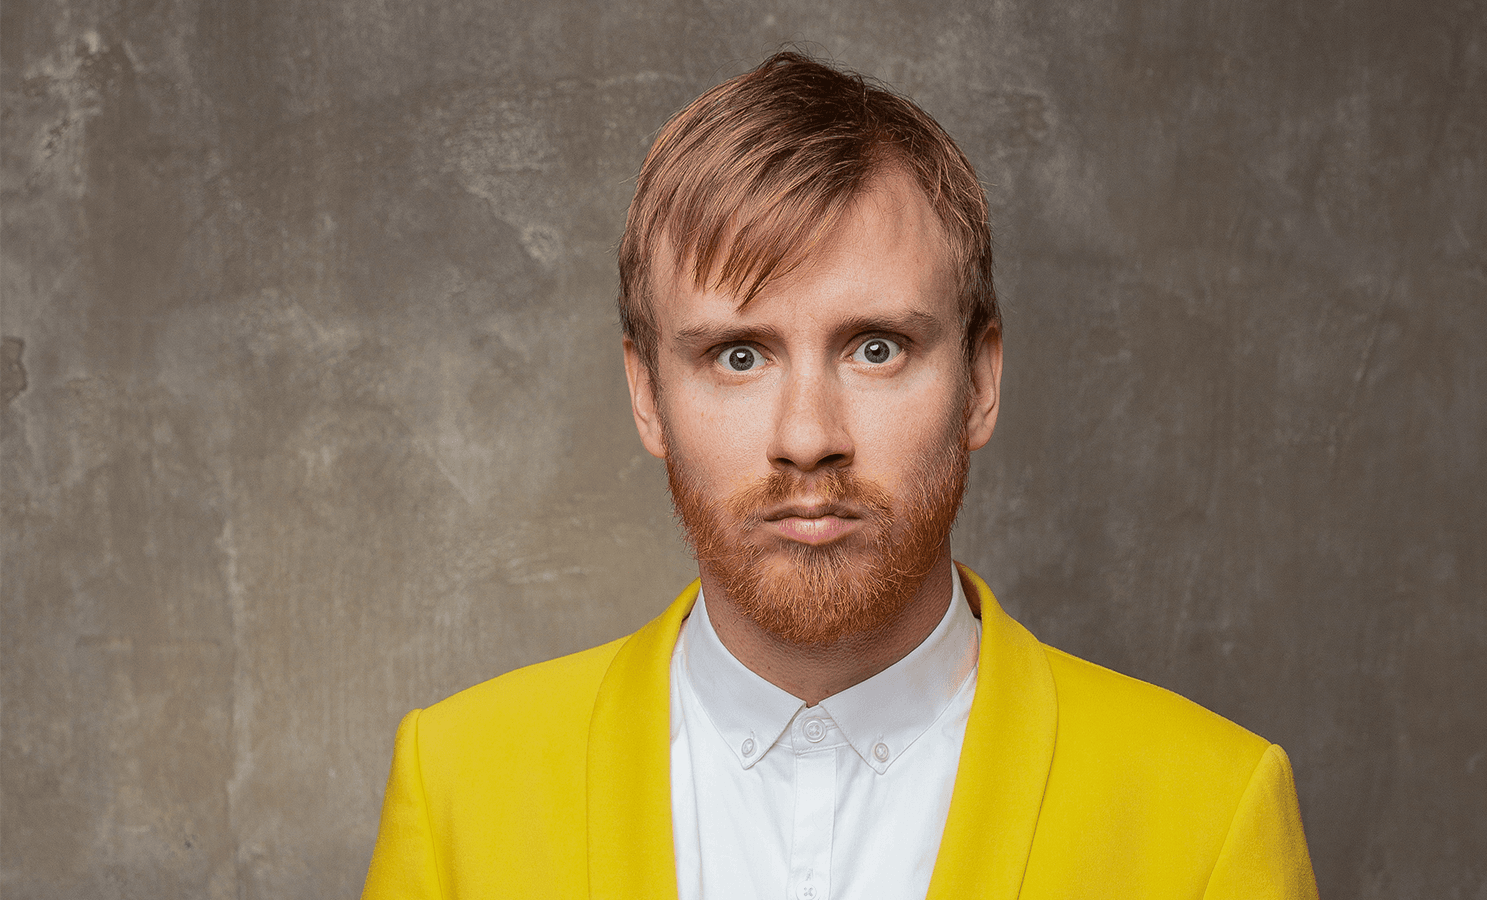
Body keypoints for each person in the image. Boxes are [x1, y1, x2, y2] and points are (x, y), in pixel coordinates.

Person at [361, 51, 1319, 900]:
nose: (808, 437)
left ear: (981, 382)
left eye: (876, 348)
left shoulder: (1211, 812)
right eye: (739, 356)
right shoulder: (457, 789)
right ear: (647, 395)